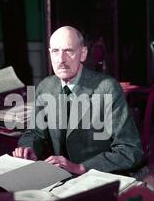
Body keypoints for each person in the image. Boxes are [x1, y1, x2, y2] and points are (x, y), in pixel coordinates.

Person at [12, 26, 143, 175]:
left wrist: (80, 167)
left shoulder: (107, 88)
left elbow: (130, 150)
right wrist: (29, 149)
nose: (61, 60)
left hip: (98, 178)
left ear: (83, 54)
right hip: (59, 177)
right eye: (55, 51)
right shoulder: (45, 87)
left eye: (69, 51)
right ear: (50, 54)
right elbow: (34, 133)